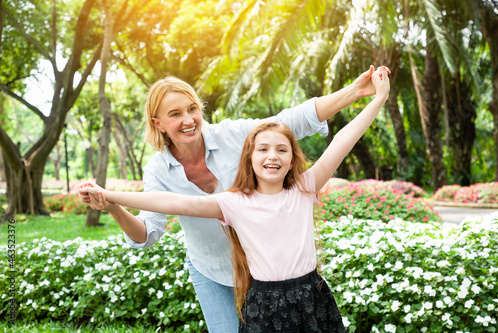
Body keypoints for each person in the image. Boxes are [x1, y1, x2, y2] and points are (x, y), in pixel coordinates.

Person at [79, 66, 390, 332]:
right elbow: (167, 208)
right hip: (217, 271)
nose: (188, 119)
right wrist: (110, 200)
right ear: (158, 123)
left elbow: (297, 125)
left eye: (192, 109)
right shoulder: (223, 199)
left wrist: (364, 95)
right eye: (175, 114)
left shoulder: (298, 184)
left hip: (285, 283)